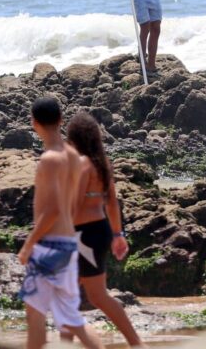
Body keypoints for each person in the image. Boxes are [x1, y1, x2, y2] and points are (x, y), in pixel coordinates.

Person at [18, 97, 103, 349]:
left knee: (35, 313)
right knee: (72, 319)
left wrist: (28, 244)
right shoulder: (74, 157)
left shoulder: (50, 159)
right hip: (68, 243)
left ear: (34, 123)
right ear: (61, 120)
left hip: (49, 247)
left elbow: (53, 209)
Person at [58, 111, 144, 347]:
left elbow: (73, 204)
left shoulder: (83, 165)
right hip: (99, 230)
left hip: (82, 235)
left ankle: (137, 343)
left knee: (94, 296)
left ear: (73, 139)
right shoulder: (102, 164)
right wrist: (118, 234)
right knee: (73, 294)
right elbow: (112, 203)